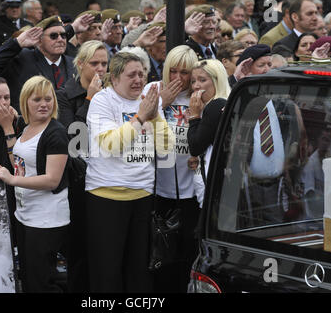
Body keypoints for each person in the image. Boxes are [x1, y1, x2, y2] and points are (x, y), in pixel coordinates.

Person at [85, 52, 174, 292]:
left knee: (139, 271)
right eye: (131, 75)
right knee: (107, 270)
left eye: (142, 74)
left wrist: (154, 117)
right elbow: (110, 145)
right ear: (114, 79)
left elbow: (166, 147)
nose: (138, 79)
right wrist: (140, 117)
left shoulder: (148, 100)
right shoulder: (102, 101)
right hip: (106, 197)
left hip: (142, 196)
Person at [0, 76, 70, 293]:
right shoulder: (28, 128)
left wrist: (12, 180)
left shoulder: (56, 132)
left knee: (41, 282)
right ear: (25, 101)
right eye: (37, 99)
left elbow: (52, 179)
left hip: (47, 219)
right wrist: (8, 130)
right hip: (25, 215)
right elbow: (18, 163)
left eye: (48, 99)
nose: (44, 104)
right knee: (29, 278)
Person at [143, 45, 200, 293]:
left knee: (187, 255)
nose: (178, 78)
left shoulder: (199, 95)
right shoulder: (152, 90)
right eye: (173, 71)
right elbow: (138, 130)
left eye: (185, 72)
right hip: (157, 189)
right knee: (160, 257)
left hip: (190, 192)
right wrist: (161, 104)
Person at [56, 40, 108, 293]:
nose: (100, 69)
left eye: (104, 63)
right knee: (79, 249)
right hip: (78, 182)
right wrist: (90, 99)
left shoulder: (112, 92)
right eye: (94, 63)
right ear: (80, 64)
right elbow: (74, 140)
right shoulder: (64, 95)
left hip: (107, 176)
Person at [0, 17, 75, 112]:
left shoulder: (74, 63)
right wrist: (17, 43)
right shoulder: (23, 58)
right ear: (39, 40)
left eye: (63, 35)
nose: (60, 39)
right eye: (53, 36)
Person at [187, 59, 231, 204]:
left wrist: (194, 116)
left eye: (202, 80)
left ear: (217, 80)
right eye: (193, 81)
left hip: (214, 185)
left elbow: (195, 146)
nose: (196, 86)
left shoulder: (215, 105)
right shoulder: (227, 101)